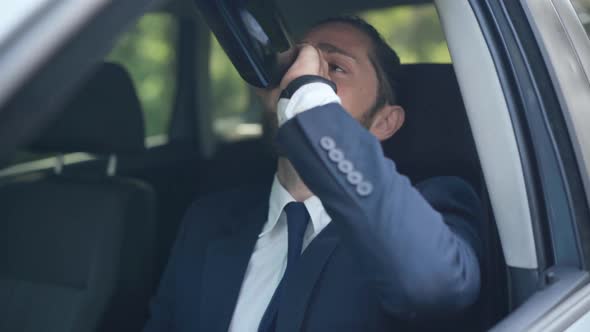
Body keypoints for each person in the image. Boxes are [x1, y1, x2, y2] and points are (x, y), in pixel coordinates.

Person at [143, 16, 483, 332]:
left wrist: (310, 95)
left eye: (334, 67)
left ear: (384, 122)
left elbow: (433, 286)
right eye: (295, 65)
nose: (297, 78)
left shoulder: (433, 207)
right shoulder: (208, 219)